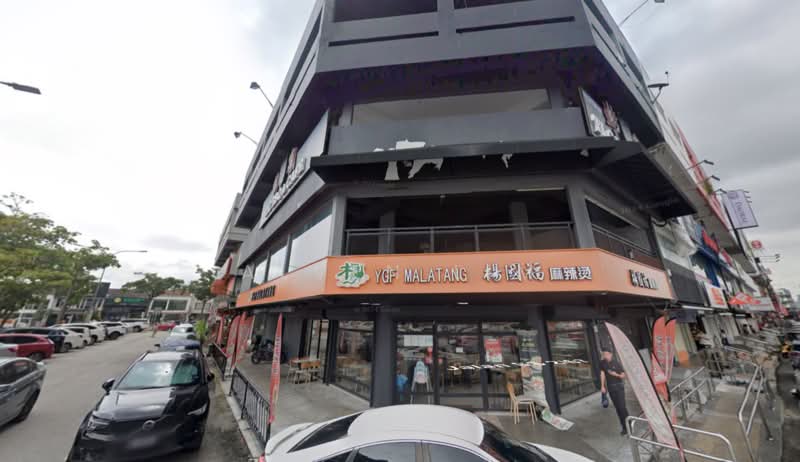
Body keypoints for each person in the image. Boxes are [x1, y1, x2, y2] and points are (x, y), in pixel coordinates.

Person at [600, 347, 629, 435]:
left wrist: (616, 375)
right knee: (617, 408)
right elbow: (602, 374)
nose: (605, 356)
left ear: (611, 354)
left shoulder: (616, 363)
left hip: (619, 387)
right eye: (604, 354)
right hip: (611, 388)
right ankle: (625, 426)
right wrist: (602, 386)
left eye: (607, 354)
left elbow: (623, 375)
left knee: (622, 407)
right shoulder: (602, 363)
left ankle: (627, 425)